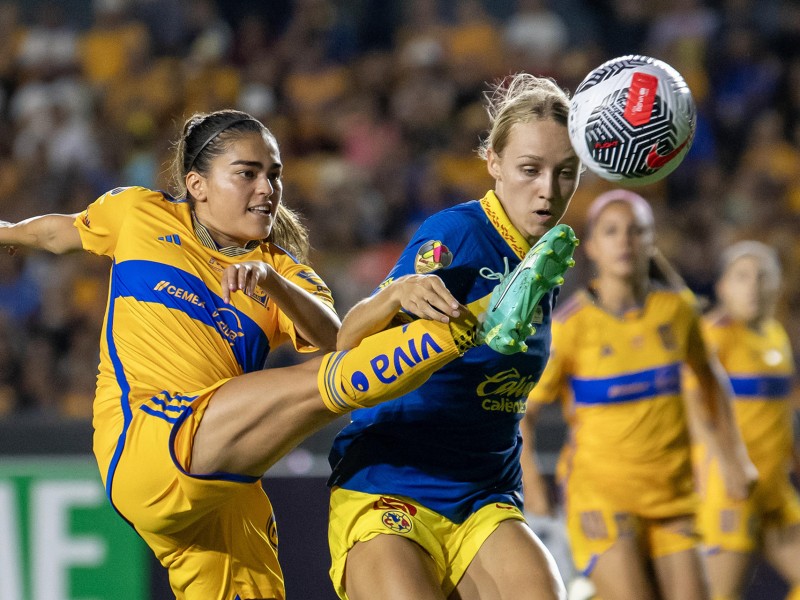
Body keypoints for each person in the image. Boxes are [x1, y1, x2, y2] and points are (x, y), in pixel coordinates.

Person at [0, 109, 558, 600]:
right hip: (148, 440)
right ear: (196, 183)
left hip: (226, 492)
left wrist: (273, 282)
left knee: (330, 375)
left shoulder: (286, 272)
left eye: (275, 175)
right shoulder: (139, 216)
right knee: (321, 385)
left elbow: (337, 337)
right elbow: (53, 233)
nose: (267, 188)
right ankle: (474, 321)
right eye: (247, 173)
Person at [325, 73, 581, 600]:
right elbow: (346, 343)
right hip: (390, 486)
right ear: (493, 162)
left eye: (565, 173)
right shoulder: (457, 237)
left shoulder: (545, 260)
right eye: (529, 170)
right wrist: (393, 297)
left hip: (484, 497)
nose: (547, 191)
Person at [520, 189, 757, 600]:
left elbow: (711, 378)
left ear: (651, 241)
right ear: (591, 246)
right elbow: (521, 411)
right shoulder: (571, 327)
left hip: (673, 495)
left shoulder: (677, 311)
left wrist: (735, 457)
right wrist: (535, 488)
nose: (625, 241)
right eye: (611, 232)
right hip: (601, 498)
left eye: (636, 231)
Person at [685, 241, 800, 600]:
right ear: (722, 287)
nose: (753, 286)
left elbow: (779, 414)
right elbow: (691, 404)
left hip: (774, 488)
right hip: (730, 487)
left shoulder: (776, 336)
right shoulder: (713, 333)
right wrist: (726, 463)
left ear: (778, 285)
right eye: (742, 277)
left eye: (762, 276)